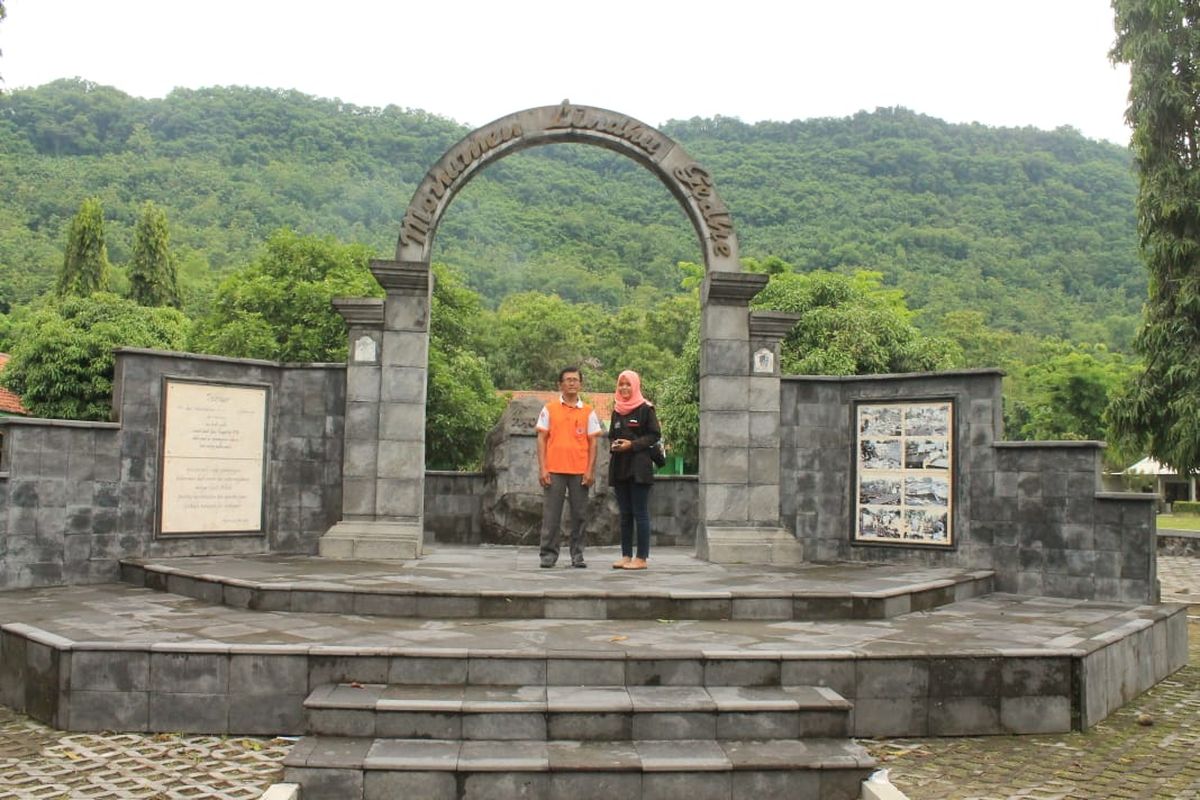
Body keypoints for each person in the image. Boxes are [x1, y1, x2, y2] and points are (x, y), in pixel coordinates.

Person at [536, 366, 602, 568]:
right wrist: (543, 468)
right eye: (568, 380)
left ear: (580, 384)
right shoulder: (549, 409)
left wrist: (590, 470)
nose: (572, 383)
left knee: (580, 515)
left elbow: (593, 443)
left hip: (580, 471)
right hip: (554, 470)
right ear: (560, 384)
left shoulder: (589, 411)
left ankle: (577, 555)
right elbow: (541, 439)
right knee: (551, 515)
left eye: (575, 380)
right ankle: (548, 555)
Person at [607, 370, 660, 571]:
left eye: (628, 384)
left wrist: (633, 445)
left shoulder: (646, 409)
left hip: (639, 468)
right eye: (621, 384)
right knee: (625, 514)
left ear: (636, 386)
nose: (624, 388)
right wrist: (615, 443)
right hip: (620, 467)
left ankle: (641, 558)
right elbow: (611, 434)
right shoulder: (616, 410)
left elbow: (654, 435)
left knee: (640, 513)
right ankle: (626, 555)